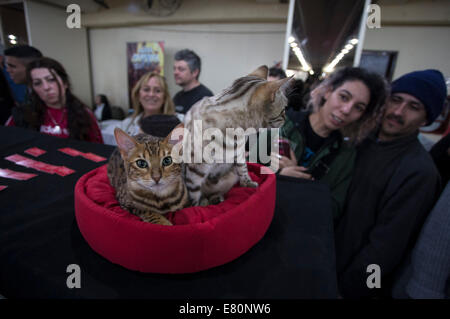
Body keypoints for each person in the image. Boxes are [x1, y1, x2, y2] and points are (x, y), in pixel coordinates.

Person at [334, 69, 447, 299]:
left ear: (426, 119)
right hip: (323, 262)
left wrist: (357, 289)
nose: (398, 112)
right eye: (395, 100)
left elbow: (386, 250)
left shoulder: (419, 172)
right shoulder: (360, 139)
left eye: (413, 107)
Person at [274, 67, 387, 220]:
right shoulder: (279, 126)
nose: (347, 110)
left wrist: (302, 186)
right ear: (328, 91)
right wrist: (279, 176)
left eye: (358, 107)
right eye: (344, 97)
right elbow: (246, 174)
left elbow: (333, 209)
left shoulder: (345, 155)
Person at [5, 57, 103, 143]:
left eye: (51, 80)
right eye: (38, 83)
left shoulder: (84, 114)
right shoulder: (22, 114)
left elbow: (98, 152)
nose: (46, 87)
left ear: (65, 83)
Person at [112, 71, 175, 137]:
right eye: (146, 89)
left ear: (164, 97)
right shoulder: (126, 125)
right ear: (138, 95)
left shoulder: (181, 122)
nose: (151, 94)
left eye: (157, 90)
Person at [172, 49, 213, 114]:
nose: (175, 72)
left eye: (181, 69)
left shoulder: (205, 97)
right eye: (174, 68)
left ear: (195, 72)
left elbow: (199, 124)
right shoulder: (177, 97)